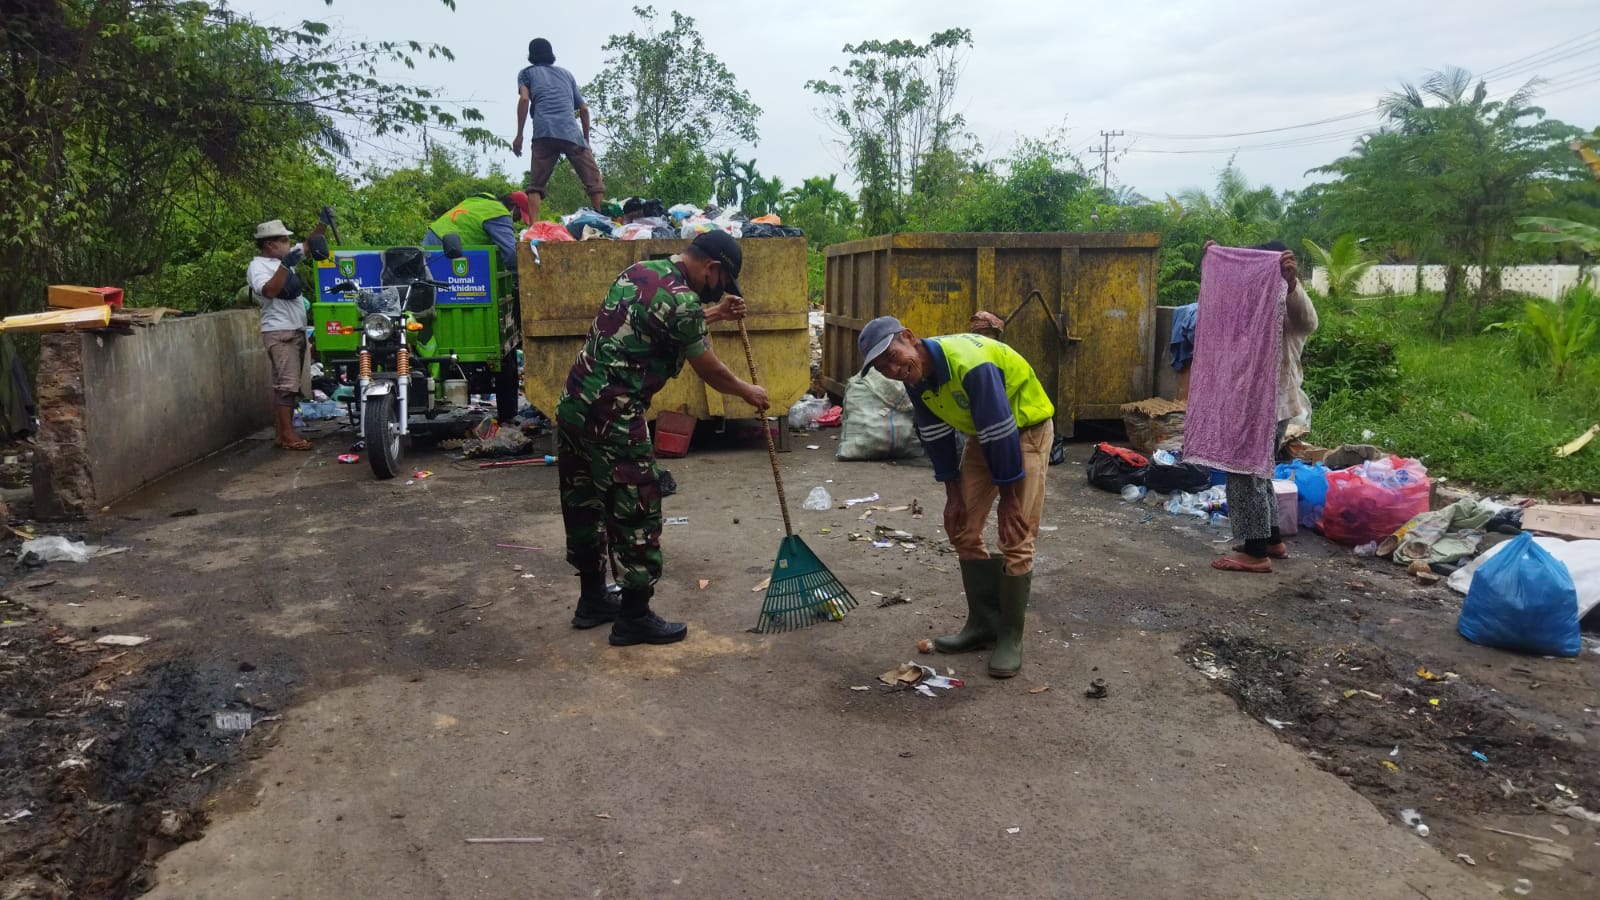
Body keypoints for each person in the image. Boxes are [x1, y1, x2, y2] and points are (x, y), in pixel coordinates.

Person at [558, 230, 768, 646]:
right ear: (712, 268)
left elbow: (664, 320)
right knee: (637, 507)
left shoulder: (638, 272)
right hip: (613, 417)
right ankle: (634, 616)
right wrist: (749, 392)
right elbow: (707, 367)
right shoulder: (684, 301)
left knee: (584, 504)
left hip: (574, 408)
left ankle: (592, 600)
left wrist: (716, 315)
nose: (716, 294)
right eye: (720, 285)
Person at [858, 317, 1055, 678]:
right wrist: (953, 495)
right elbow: (934, 434)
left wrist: (1009, 499)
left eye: (891, 355)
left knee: (1015, 534)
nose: (892, 368)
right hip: (983, 433)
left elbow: (1002, 428)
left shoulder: (970, 364)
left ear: (909, 337)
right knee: (962, 527)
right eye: (881, 366)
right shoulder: (916, 377)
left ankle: (1010, 635)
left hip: (1025, 430)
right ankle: (984, 624)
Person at [1207, 240, 1320, 573]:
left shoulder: (1286, 299)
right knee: (1259, 471)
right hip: (1265, 403)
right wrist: (1216, 260)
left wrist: (1292, 284)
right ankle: (1271, 538)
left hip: (1267, 405)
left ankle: (1255, 553)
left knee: (1245, 471)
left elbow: (1309, 322)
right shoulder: (1254, 302)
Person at [248, 218, 325, 451]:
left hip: (294, 329)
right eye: (283, 240)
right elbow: (269, 290)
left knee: (288, 385)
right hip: (279, 331)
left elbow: (309, 244)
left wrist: (322, 223)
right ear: (269, 245)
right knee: (287, 386)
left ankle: (283, 433)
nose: (288, 244)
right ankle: (288, 434)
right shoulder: (258, 267)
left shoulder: (284, 260)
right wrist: (285, 266)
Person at [511, 38, 605, 221]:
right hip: (571, 132)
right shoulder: (566, 75)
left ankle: (534, 228)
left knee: (536, 185)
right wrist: (586, 142)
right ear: (550, 54)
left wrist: (519, 135)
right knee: (593, 181)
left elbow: (524, 100)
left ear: (531, 56)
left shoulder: (526, 73)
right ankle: (600, 216)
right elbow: (584, 109)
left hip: (544, 132)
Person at [423, 191, 529, 270]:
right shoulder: (499, 213)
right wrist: (524, 276)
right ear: (514, 206)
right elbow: (511, 255)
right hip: (445, 247)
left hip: (431, 236)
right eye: (520, 215)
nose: (519, 219)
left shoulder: (484, 199)